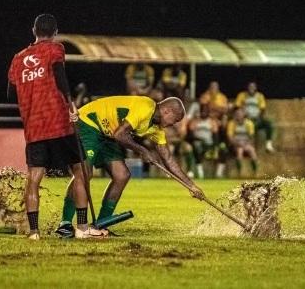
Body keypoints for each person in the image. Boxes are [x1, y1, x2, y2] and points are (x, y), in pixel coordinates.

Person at [8, 13, 103, 240]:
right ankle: (81, 228)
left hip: (34, 128)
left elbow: (11, 93)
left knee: (33, 178)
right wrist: (71, 104)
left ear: (34, 30)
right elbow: (60, 75)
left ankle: (34, 232)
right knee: (80, 171)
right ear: (55, 32)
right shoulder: (55, 49)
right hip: (59, 124)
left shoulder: (18, 58)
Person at [54, 95, 205, 238]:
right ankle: (65, 223)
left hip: (107, 134)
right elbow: (120, 135)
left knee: (122, 175)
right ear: (167, 111)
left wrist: (191, 186)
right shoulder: (145, 108)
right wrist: (143, 151)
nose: (175, 124)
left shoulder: (156, 129)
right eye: (176, 119)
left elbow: (168, 159)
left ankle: (100, 225)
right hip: (88, 123)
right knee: (84, 174)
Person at [183, 105, 227, 179]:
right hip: (197, 142)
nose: (203, 113)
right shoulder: (195, 121)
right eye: (202, 111)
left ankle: (219, 173)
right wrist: (198, 139)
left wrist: (215, 147)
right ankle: (200, 172)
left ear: (208, 112)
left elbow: (216, 135)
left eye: (205, 111)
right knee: (195, 146)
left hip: (209, 144)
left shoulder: (212, 122)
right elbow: (190, 135)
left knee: (223, 150)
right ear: (200, 112)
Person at [235, 81, 276, 152]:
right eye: (250, 86)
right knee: (249, 127)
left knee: (268, 123)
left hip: (256, 118)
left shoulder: (260, 96)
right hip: (245, 119)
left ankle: (268, 145)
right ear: (247, 87)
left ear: (256, 88)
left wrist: (259, 117)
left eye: (253, 87)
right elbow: (237, 106)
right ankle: (248, 147)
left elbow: (262, 108)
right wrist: (243, 115)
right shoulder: (242, 95)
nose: (251, 88)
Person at [226, 107, 258, 178]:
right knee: (239, 151)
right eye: (237, 114)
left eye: (240, 114)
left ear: (244, 114)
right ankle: (239, 173)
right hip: (235, 144)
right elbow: (230, 137)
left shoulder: (249, 123)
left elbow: (251, 137)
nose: (238, 115)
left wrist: (246, 144)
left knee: (252, 151)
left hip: (246, 143)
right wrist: (238, 144)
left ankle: (255, 173)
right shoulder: (232, 123)